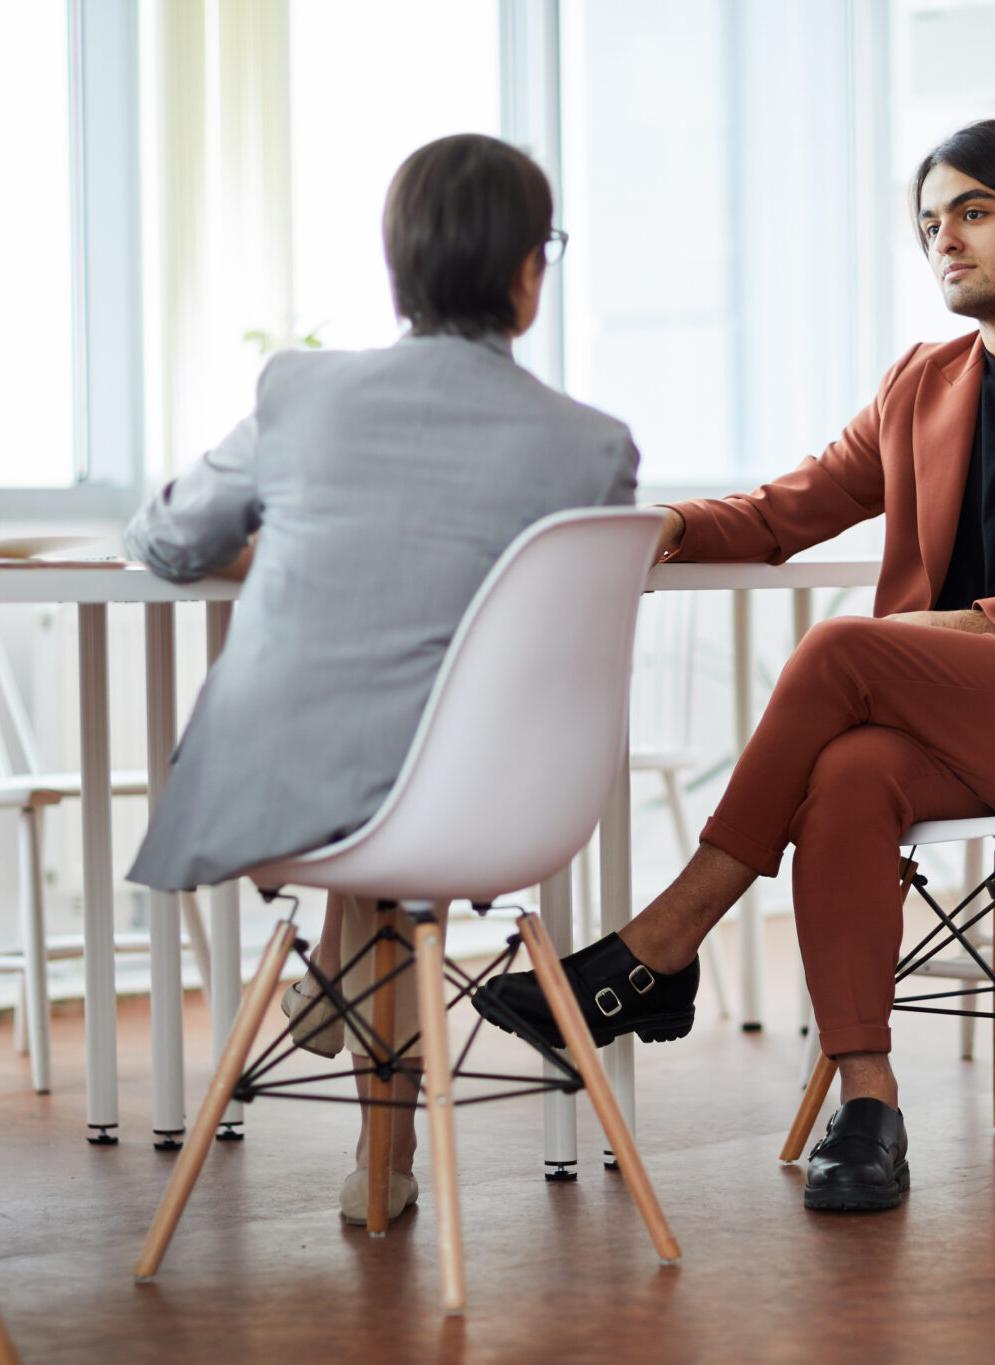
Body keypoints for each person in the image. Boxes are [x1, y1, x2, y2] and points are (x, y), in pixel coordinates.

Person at [476, 119, 995, 1214]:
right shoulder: (918, 386)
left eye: (972, 213)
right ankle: (868, 1105)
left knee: (840, 648)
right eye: (929, 224)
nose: (945, 242)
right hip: (946, 728)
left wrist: (968, 628)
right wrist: (651, 528)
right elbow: (787, 510)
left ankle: (661, 942)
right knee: (844, 778)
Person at [125, 133, 639, 1224]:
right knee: (412, 780)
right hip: (502, 794)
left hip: (289, 782)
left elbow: (167, 543)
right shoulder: (593, 447)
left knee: (376, 789)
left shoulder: (300, 392)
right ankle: (376, 1140)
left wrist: (294, 546)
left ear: (395, 267)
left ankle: (341, 1000)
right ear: (525, 273)